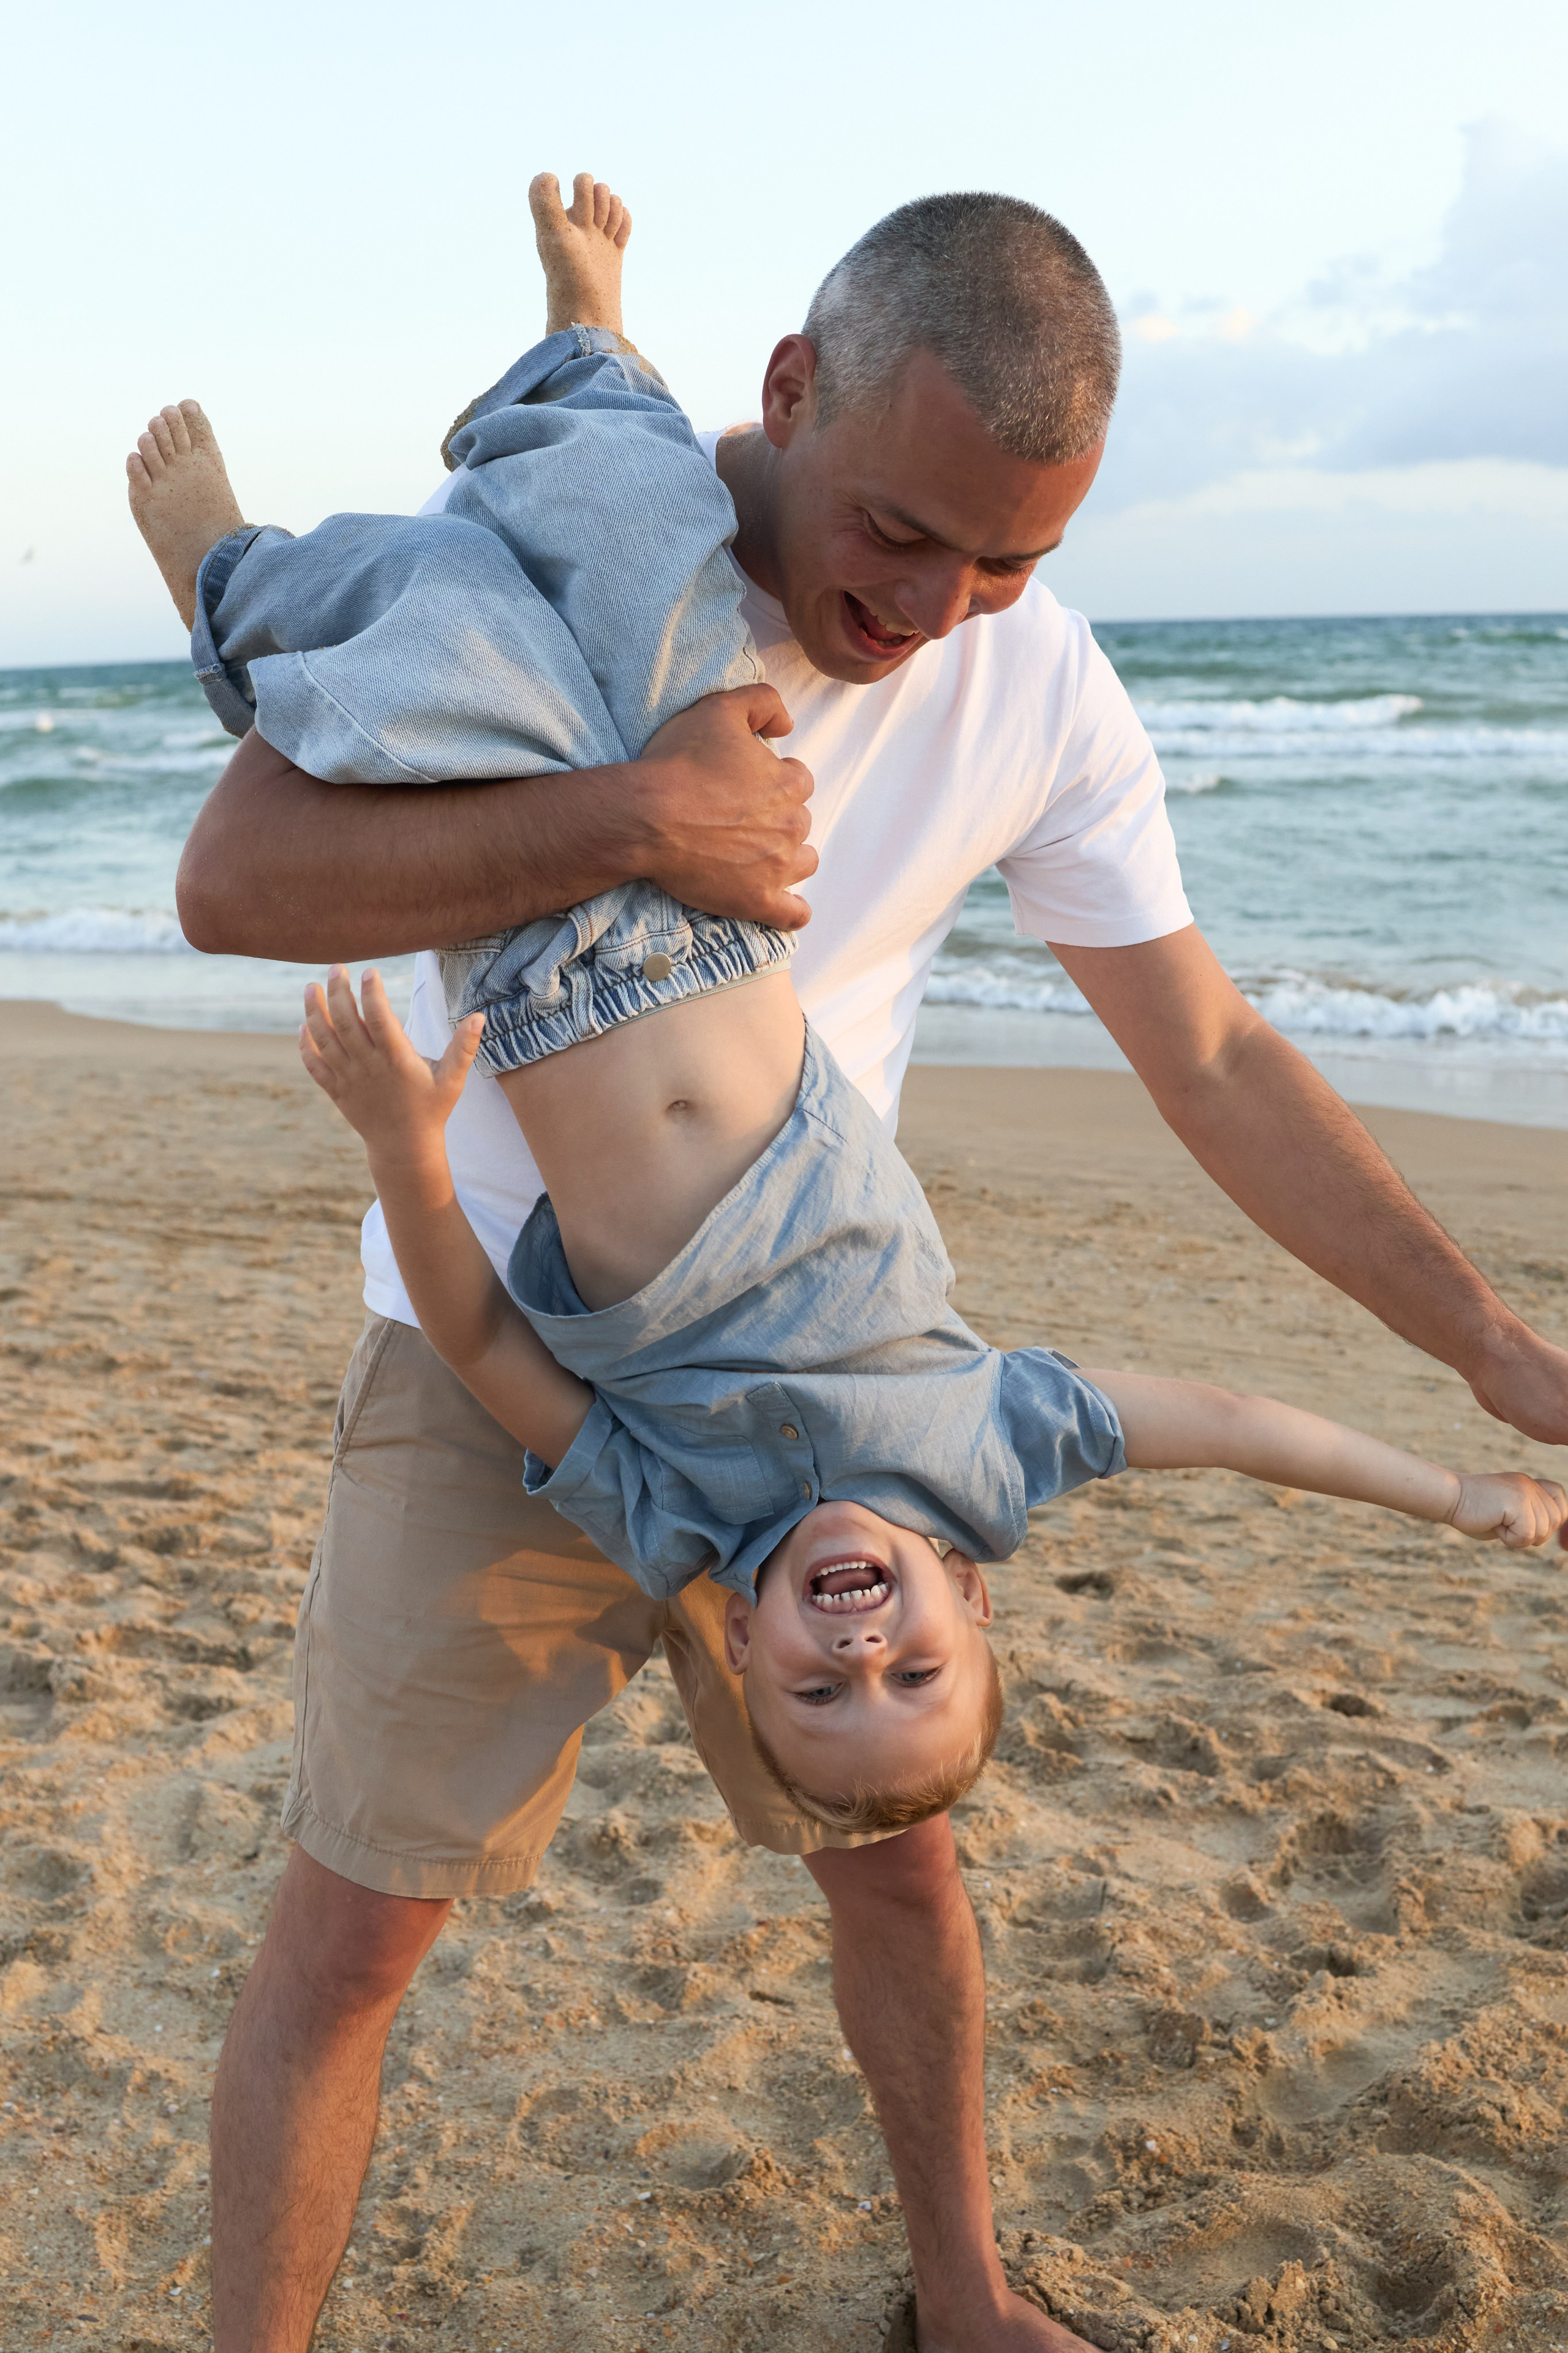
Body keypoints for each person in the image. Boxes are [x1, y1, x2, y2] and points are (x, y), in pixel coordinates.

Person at [132, 173, 1568, 2353]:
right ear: (788, 391)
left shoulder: (1035, 681)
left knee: (903, 1850)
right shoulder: (612, 551)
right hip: (489, 1341)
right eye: (901, 532)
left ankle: (967, 2297)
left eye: (1012, 559)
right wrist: (642, 823)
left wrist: (1484, 1347)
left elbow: (1207, 1048)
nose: (939, 603)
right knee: (359, 1929)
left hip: (829, 1393)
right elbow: (238, 881)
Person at [300, 959, 1564, 1826]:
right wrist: (1449, 1493)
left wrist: (401, 1148)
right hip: (712, 944)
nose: (861, 1651)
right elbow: (1231, 1426)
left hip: (527, 993)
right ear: (967, 1594)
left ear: (740, 1640)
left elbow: (479, 1342)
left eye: (816, 1688)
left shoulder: (671, 1514)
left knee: (393, 665)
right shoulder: (994, 1454)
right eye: (913, 1675)